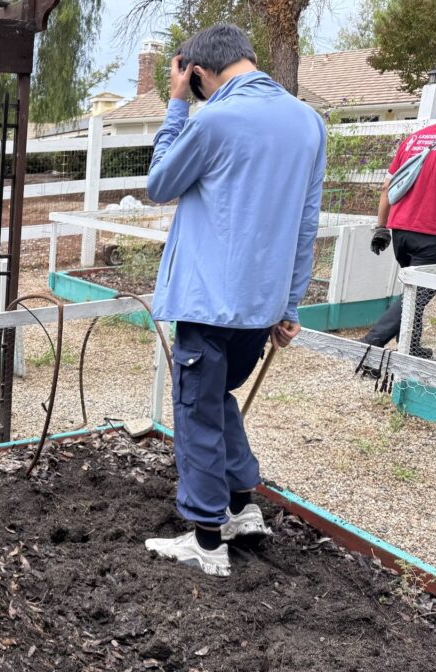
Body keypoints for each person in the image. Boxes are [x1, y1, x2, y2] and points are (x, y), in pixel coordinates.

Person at [141, 24, 326, 577]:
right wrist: (290, 305)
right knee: (216, 396)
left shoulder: (213, 119)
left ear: (197, 72)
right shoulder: (308, 122)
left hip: (207, 301)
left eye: (190, 81)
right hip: (262, 306)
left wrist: (177, 105)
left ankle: (206, 539)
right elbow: (307, 224)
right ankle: (243, 506)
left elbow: (158, 183)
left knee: (197, 413)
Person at [360, 90, 436, 357]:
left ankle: (411, 347)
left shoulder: (415, 138)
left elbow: (387, 186)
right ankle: (371, 341)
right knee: (421, 292)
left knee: (413, 291)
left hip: (400, 231)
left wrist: (381, 227)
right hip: (432, 231)